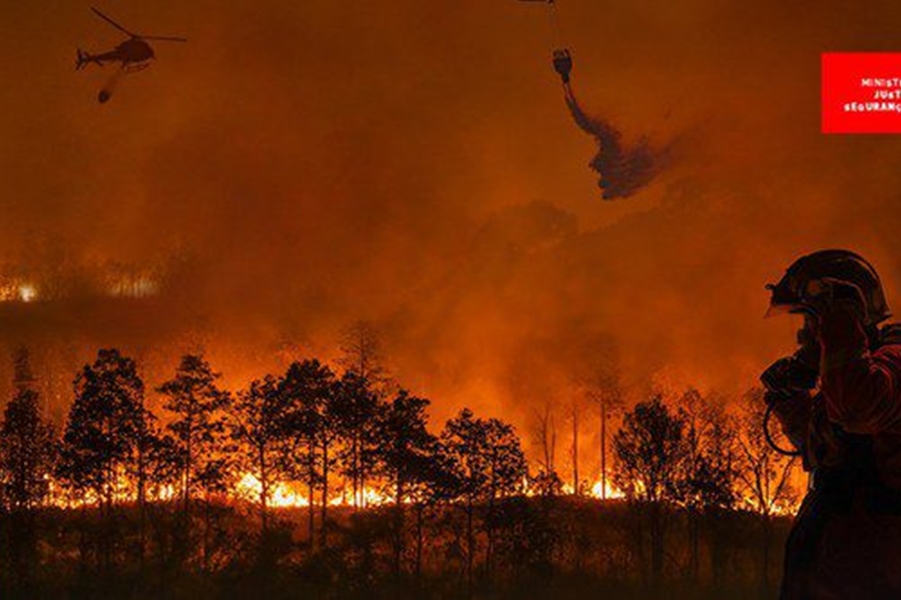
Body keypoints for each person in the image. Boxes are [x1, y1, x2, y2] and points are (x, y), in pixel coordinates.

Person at [763, 249, 901, 599]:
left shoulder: (892, 364)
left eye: (811, 321)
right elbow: (831, 455)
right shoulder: (847, 378)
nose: (804, 335)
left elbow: (858, 410)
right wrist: (789, 400)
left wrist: (838, 321)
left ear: (849, 314)